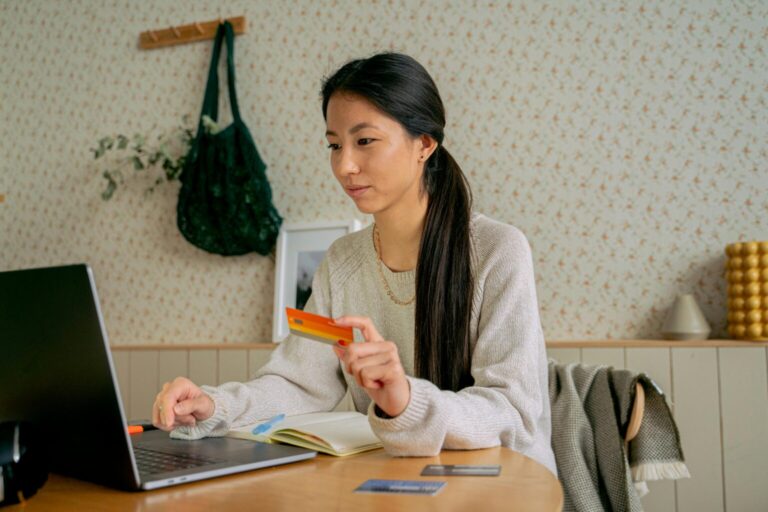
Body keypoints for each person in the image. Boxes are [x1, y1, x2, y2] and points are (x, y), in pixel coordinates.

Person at [152, 52, 557, 475]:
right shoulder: (342, 261)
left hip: (502, 485)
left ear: (424, 144)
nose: (345, 165)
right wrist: (214, 405)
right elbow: (299, 383)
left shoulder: (498, 250)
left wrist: (406, 400)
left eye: (364, 141)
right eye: (334, 144)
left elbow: (511, 409)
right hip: (402, 483)